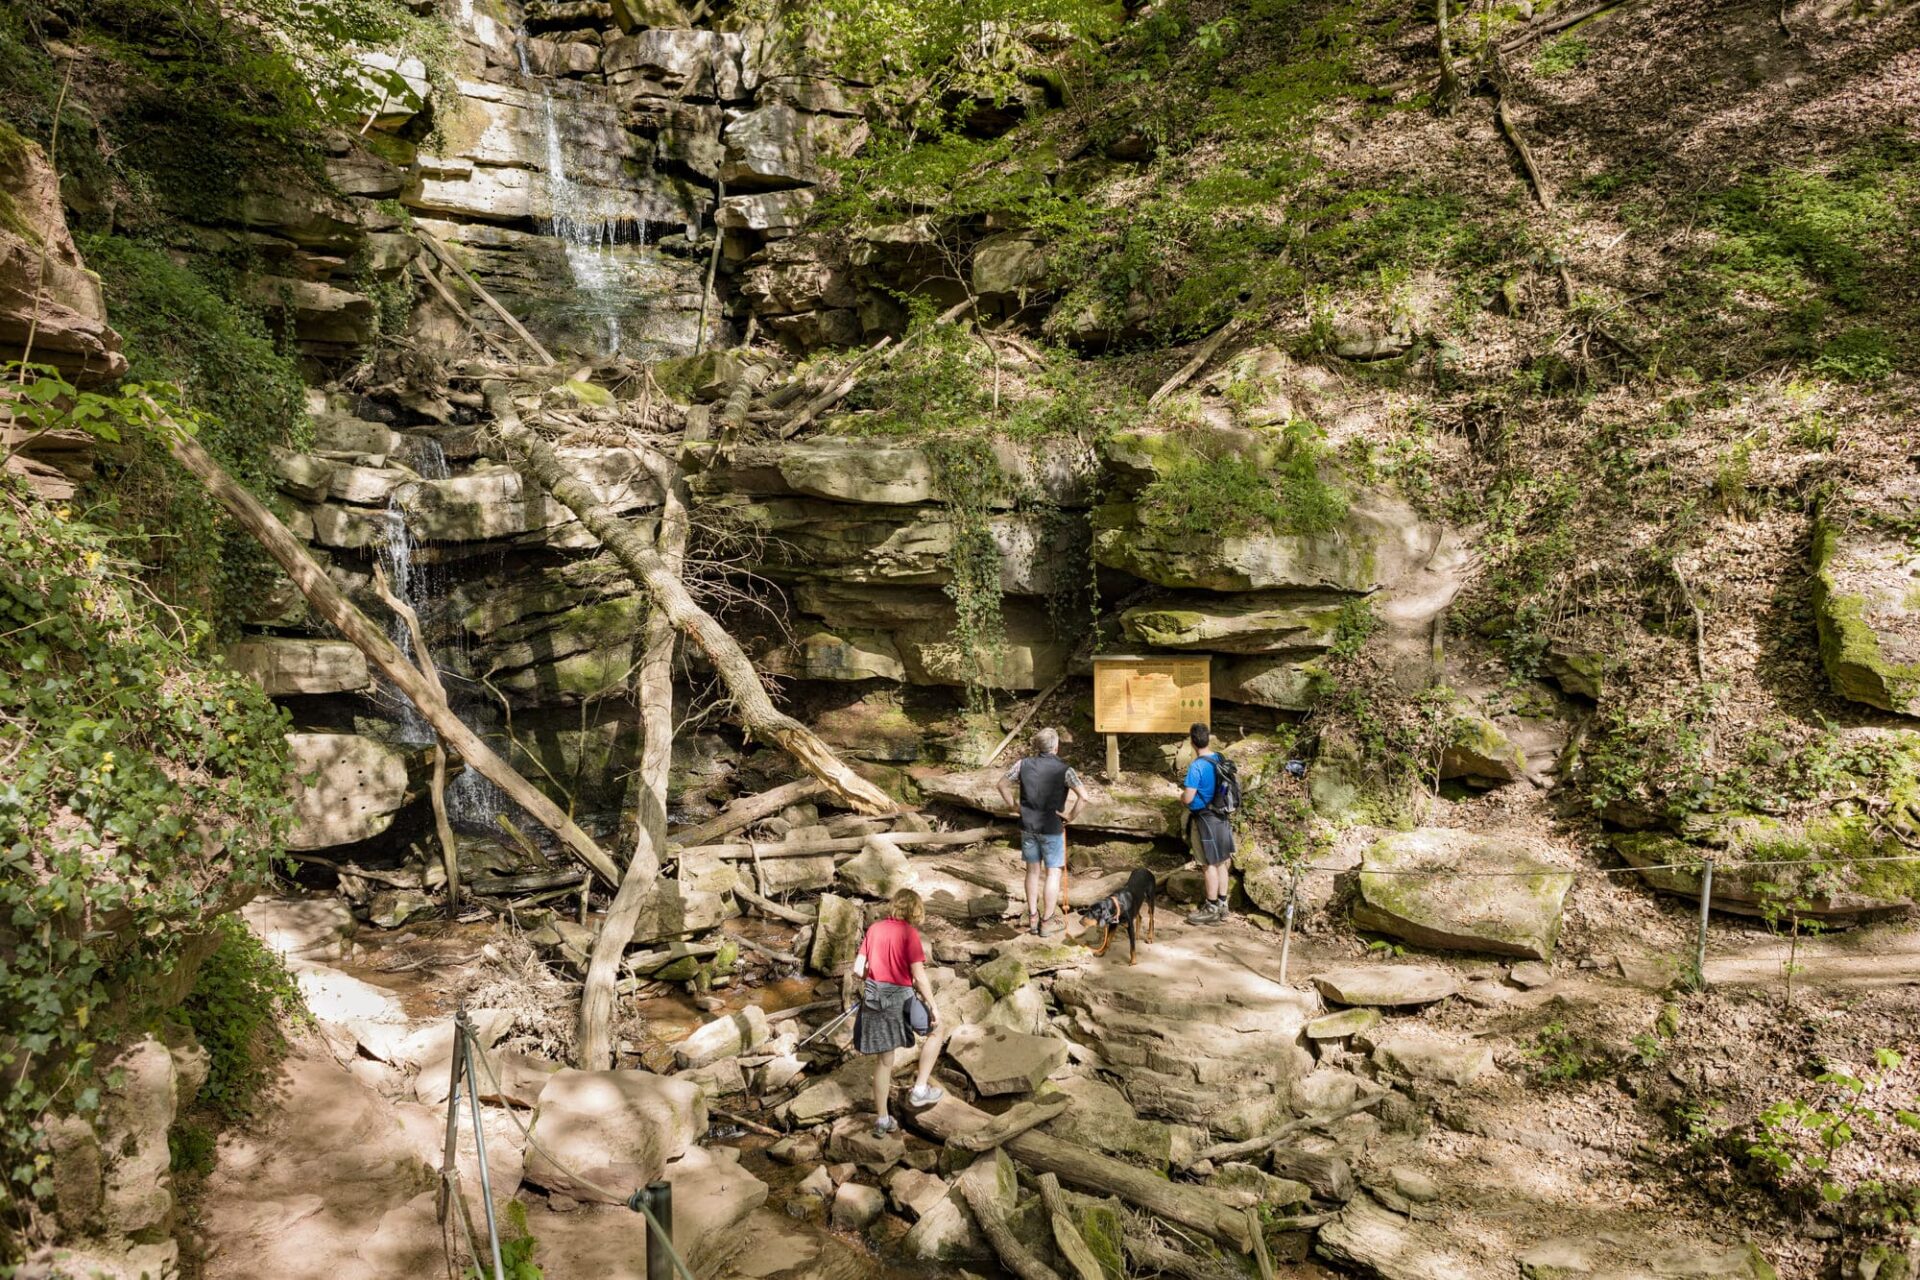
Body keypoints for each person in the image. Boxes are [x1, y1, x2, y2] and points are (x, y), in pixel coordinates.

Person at [852, 888, 946, 1137]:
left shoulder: (874, 929)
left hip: (874, 998)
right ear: (915, 911)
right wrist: (933, 1005)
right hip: (901, 999)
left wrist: (872, 978)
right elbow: (919, 977)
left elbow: (857, 968)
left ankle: (883, 1120)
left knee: (884, 1061)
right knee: (937, 1030)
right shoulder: (909, 934)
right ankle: (920, 1089)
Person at [996, 727, 1091, 935]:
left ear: (1037, 747)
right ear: (1056, 747)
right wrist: (1070, 816)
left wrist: (1014, 806)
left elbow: (1002, 784)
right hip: (1052, 828)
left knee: (1032, 872)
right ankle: (1047, 921)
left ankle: (1032, 917)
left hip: (1028, 827)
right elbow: (1084, 796)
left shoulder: (1022, 764)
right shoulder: (1065, 770)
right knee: (1053, 874)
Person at [1182, 722, 1237, 925]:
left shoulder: (1197, 766)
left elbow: (1188, 798)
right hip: (1222, 816)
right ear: (1208, 738)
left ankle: (1211, 907)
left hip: (1205, 819)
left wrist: (1181, 797)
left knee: (1208, 864)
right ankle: (1223, 905)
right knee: (1222, 861)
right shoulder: (1219, 758)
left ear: (1192, 742)